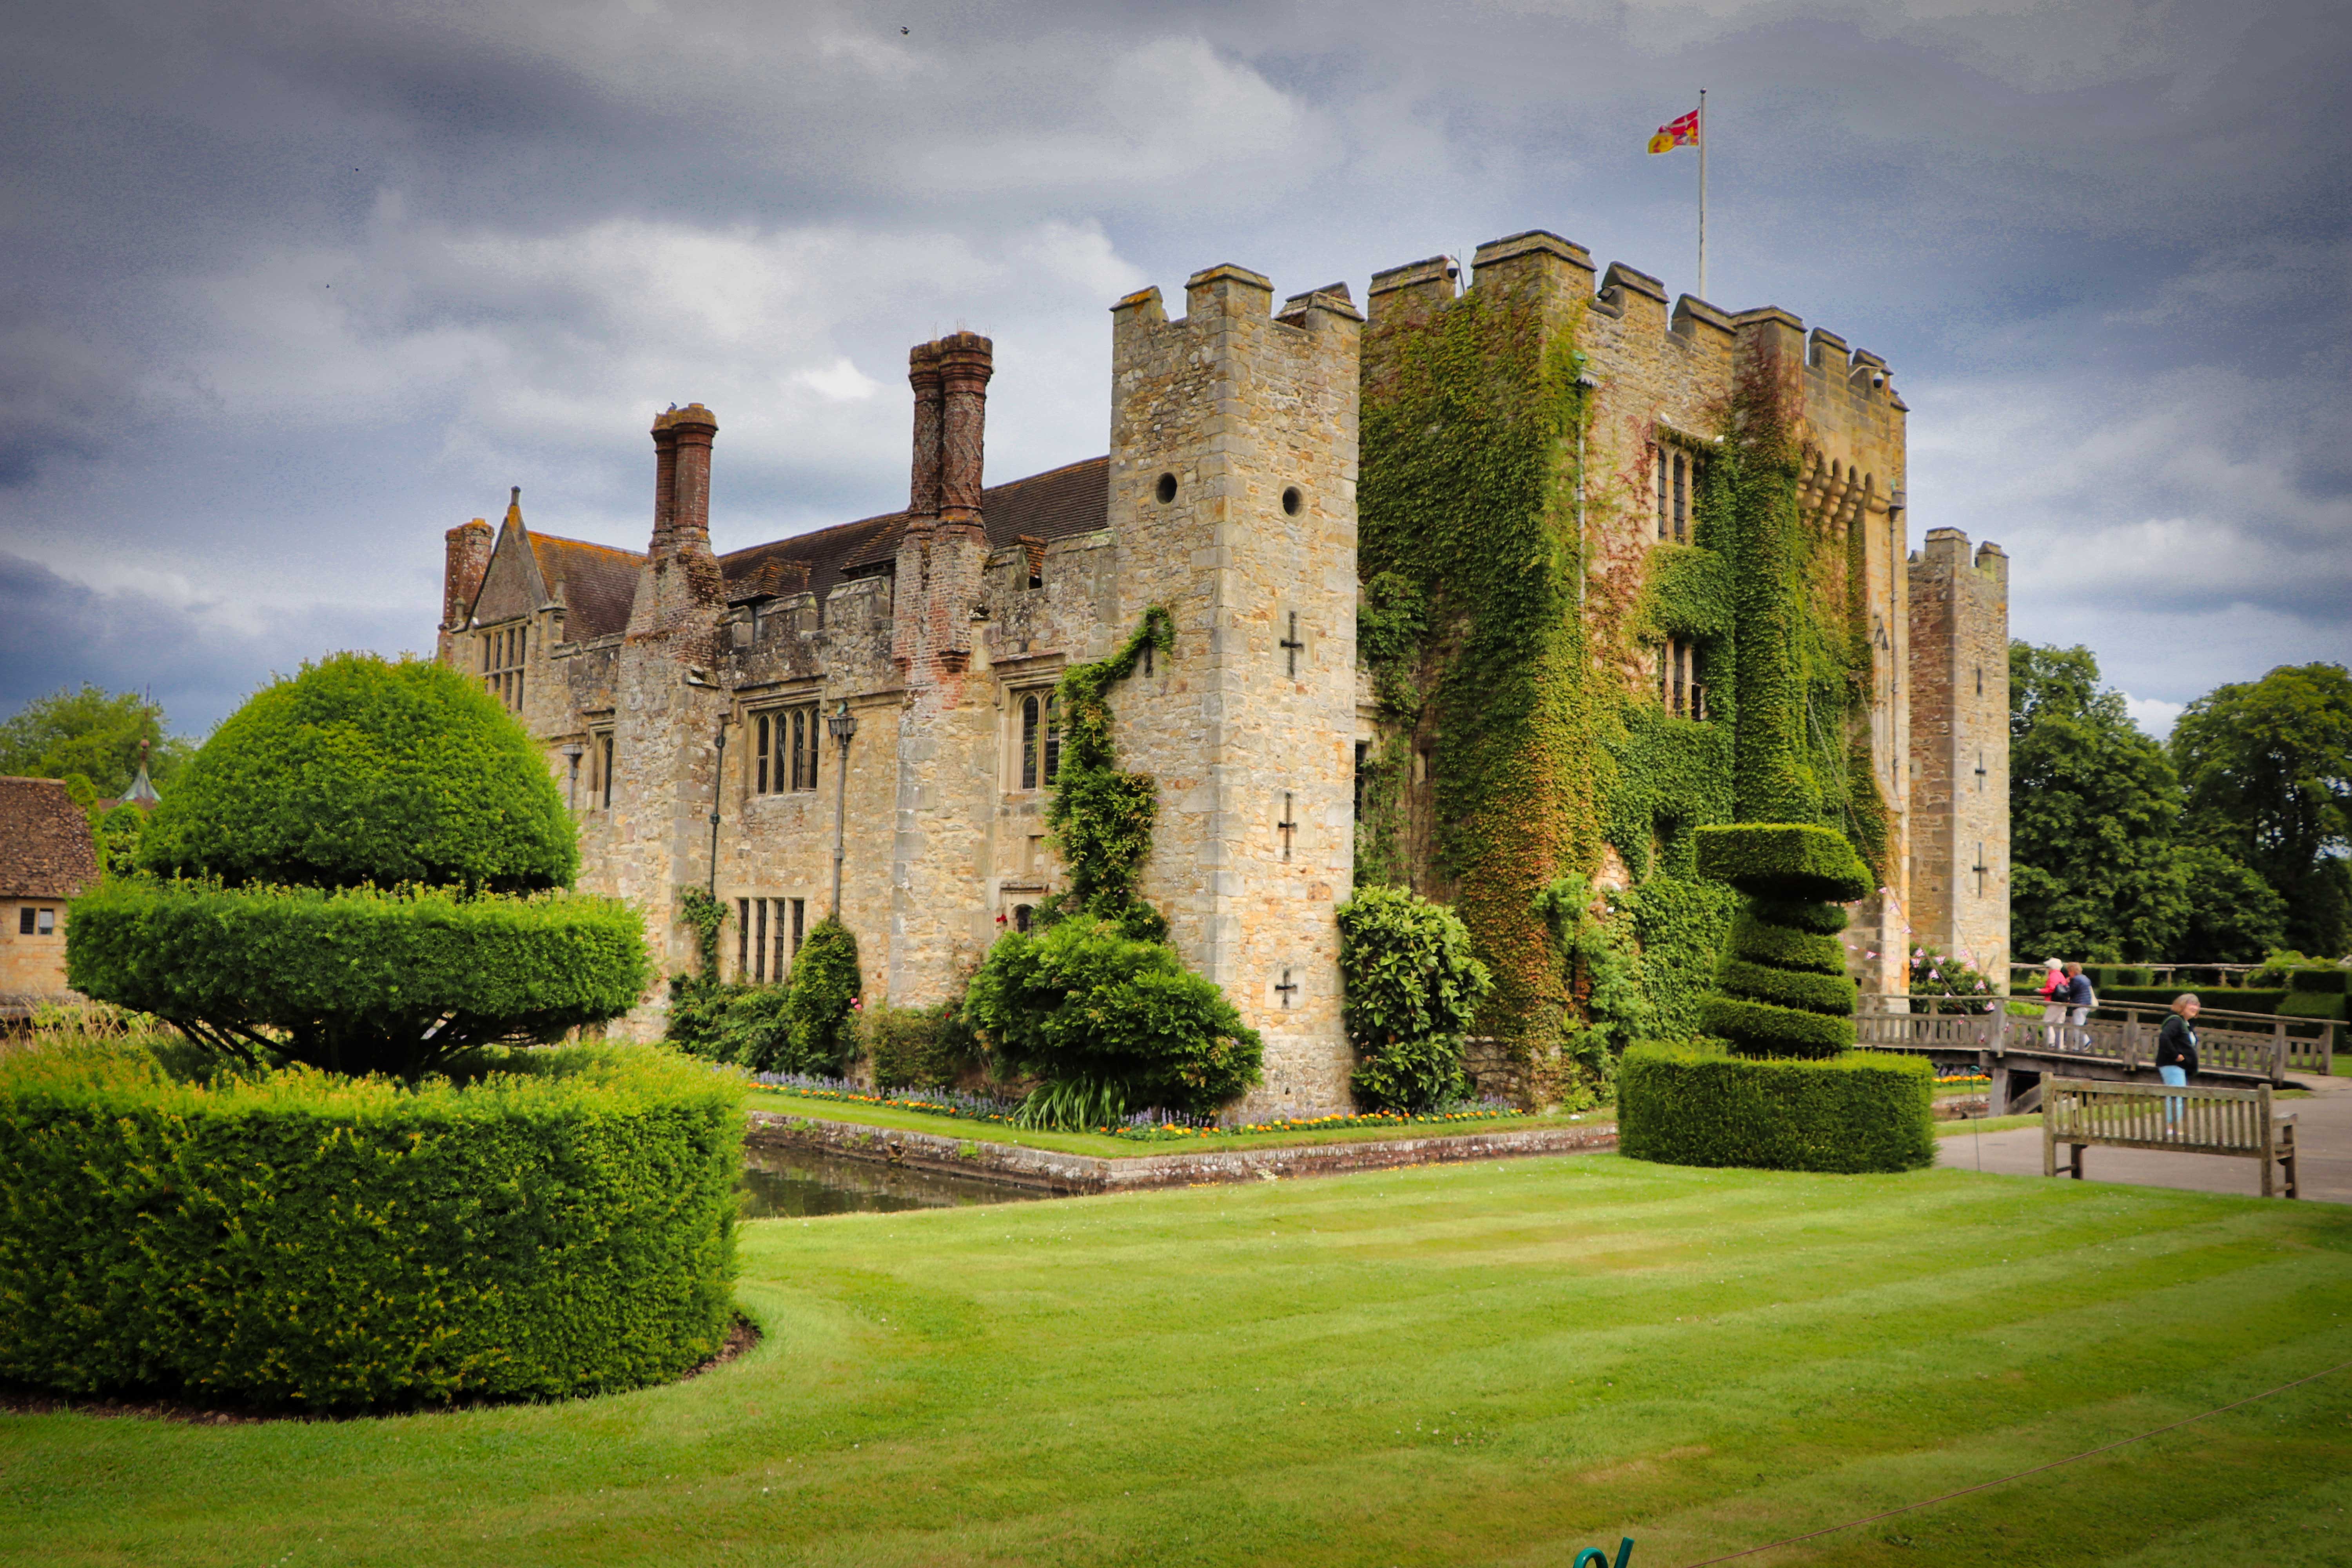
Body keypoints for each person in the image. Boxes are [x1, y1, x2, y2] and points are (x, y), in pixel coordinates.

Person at [2155, 994, 2200, 1134]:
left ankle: (2173, 1127)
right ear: (2182, 1006)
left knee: (2178, 1095)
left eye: (2197, 1005)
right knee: (2175, 1095)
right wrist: (2176, 1056)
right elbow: (2164, 1037)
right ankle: (2170, 1128)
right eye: (2191, 1004)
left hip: (2180, 1067)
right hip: (2172, 1065)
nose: (2195, 1007)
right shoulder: (2176, 1021)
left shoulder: (2186, 1024)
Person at [2062, 962, 2097, 1052]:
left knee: (2077, 1026)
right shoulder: (2085, 978)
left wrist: (2067, 983)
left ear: (2072, 971)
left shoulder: (2076, 980)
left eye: (2069, 971)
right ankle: (2085, 1042)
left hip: (2080, 1005)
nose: (2069, 973)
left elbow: (2070, 991)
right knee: (2077, 1024)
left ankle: (2080, 1046)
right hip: (2086, 1004)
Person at [2037, 958, 2068, 1049]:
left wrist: (2041, 991)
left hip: (2055, 1002)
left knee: (2047, 1022)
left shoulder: (2053, 976)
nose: (2048, 969)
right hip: (2063, 1003)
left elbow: (2052, 989)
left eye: (2048, 967)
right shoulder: (2061, 975)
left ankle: (2051, 1043)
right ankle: (2060, 1045)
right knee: (2059, 1024)